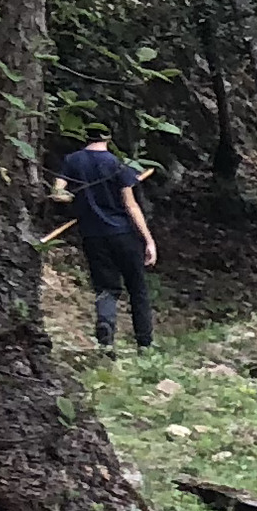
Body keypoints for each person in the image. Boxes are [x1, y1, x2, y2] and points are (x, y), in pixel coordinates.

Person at [52, 130, 158, 351]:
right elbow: (131, 206)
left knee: (105, 287)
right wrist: (148, 240)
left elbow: (57, 193)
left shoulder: (72, 161)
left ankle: (106, 336)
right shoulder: (117, 165)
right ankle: (144, 343)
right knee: (136, 288)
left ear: (86, 137)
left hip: (92, 235)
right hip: (123, 233)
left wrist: (73, 198)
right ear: (108, 139)